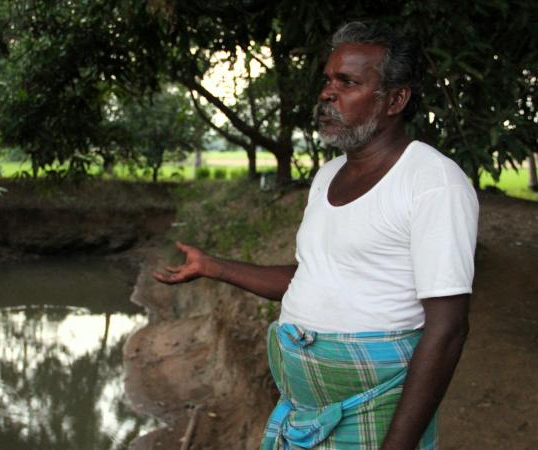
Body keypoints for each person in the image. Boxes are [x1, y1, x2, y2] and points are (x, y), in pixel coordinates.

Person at [154, 21, 478, 450]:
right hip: (303, 414)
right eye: (328, 80)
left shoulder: (433, 182)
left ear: (395, 100)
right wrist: (213, 267)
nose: (327, 93)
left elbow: (448, 328)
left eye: (347, 82)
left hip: (373, 413)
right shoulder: (327, 176)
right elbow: (314, 276)